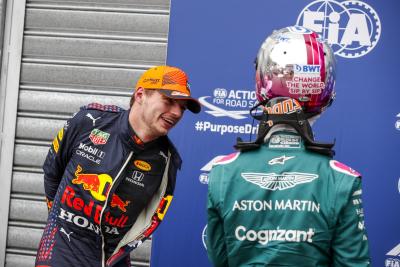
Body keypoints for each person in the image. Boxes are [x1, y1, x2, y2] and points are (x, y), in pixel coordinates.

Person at [206, 26, 370, 266]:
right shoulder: (342, 180)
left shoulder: (222, 172)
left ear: (262, 83)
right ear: (324, 90)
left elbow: (220, 260)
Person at [35, 65, 201, 267]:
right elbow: (52, 171)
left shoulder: (166, 161)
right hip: (62, 251)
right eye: (169, 101)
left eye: (182, 108)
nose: (176, 112)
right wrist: (59, 223)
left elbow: (149, 221)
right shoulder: (90, 122)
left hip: (113, 260)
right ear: (141, 95)